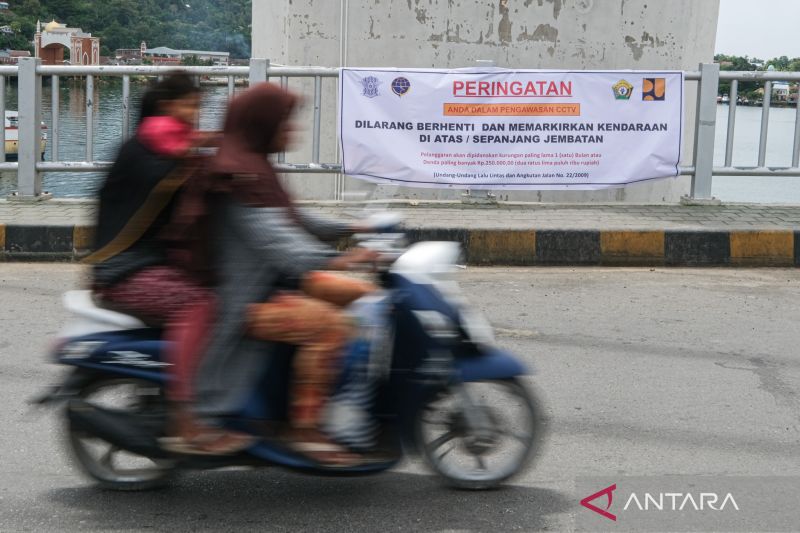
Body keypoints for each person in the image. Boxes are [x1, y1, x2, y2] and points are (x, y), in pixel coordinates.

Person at [172, 82, 378, 467]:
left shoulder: (252, 163)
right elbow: (277, 241)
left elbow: (293, 219)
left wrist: (353, 229)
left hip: (276, 283)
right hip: (248, 300)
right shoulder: (236, 176)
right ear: (261, 123)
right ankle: (305, 430)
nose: (292, 131)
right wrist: (336, 260)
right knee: (332, 327)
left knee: (364, 297)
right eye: (285, 122)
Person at [87, 72, 251, 455]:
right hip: (124, 269)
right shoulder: (158, 135)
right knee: (200, 306)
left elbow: (196, 150)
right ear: (167, 105)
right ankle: (186, 420)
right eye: (191, 106)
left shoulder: (161, 140)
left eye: (199, 107)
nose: (195, 115)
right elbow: (186, 151)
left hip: (141, 261)